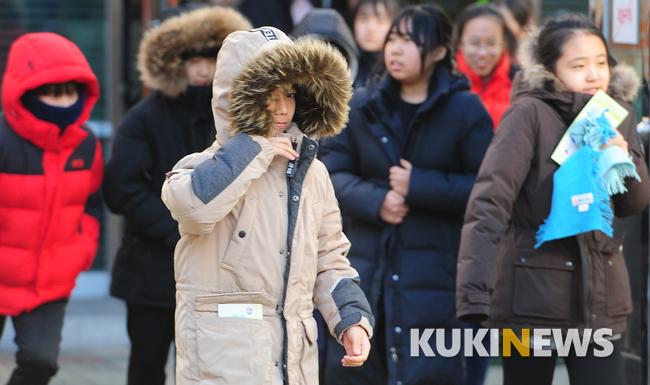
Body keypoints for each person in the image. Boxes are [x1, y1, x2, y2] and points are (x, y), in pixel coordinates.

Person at [161, 27, 374, 384]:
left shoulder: (312, 172)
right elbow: (191, 209)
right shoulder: (200, 166)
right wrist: (254, 149)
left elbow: (330, 257)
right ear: (237, 97)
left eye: (290, 93)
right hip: (223, 360)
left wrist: (352, 320)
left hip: (294, 358)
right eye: (268, 94)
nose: (282, 107)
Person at [456, 13, 650, 385]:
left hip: (600, 297)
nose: (594, 74)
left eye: (600, 63)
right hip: (531, 296)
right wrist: (475, 294)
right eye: (578, 65)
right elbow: (489, 202)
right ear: (550, 70)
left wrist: (623, 159)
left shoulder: (615, 116)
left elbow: (632, 204)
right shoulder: (528, 114)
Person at [320, 5, 494, 384]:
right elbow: (329, 175)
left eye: (410, 41)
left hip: (436, 276)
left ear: (437, 52)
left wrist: (421, 186)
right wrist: (376, 200)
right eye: (393, 39)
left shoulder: (466, 111)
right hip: (366, 269)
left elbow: (487, 190)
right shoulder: (361, 106)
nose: (396, 50)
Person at [103, 7, 251, 385]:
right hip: (153, 270)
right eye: (192, 60)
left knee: (214, 368)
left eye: (210, 59)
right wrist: (178, 229)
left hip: (222, 270)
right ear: (174, 64)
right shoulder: (144, 117)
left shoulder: (239, 121)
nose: (202, 69)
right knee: (147, 367)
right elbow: (121, 188)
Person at [0, 32, 102, 385]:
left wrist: (81, 251)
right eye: (51, 92)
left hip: (50, 280)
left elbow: (92, 204)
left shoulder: (86, 144)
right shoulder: (3, 139)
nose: (63, 102)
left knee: (41, 362)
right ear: (24, 91)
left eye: (70, 91)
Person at [455, 3, 519, 128]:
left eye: (491, 43)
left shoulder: (522, 83)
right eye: (474, 43)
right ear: (459, 43)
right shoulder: (443, 84)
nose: (483, 53)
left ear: (504, 43)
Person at [352, 0, 402, 88]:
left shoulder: (401, 67)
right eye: (363, 18)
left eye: (381, 20)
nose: (371, 28)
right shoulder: (343, 64)